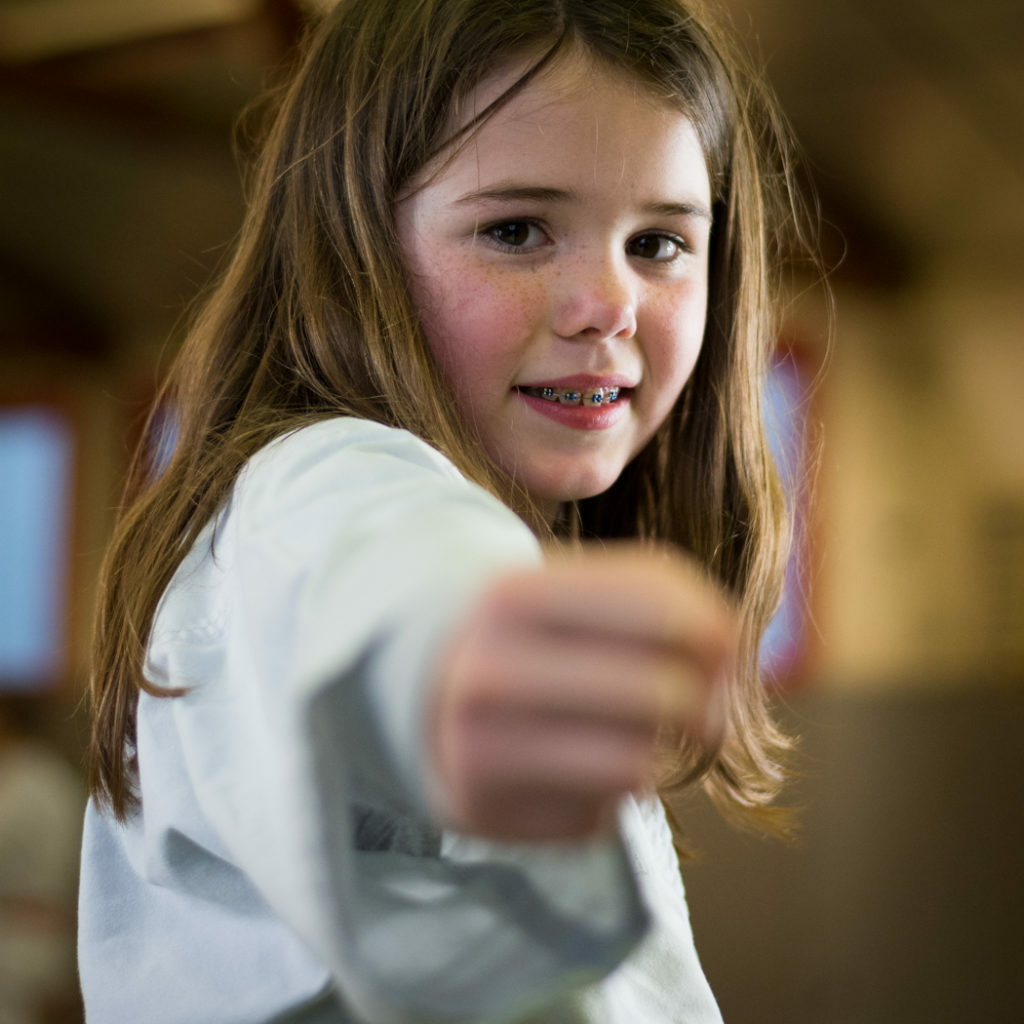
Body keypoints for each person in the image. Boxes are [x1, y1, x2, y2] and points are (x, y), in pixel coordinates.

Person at [79, 0, 814, 1020]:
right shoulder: (316, 485)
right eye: (516, 231)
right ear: (354, 250)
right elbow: (384, 576)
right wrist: (451, 655)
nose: (609, 301)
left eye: (658, 243)